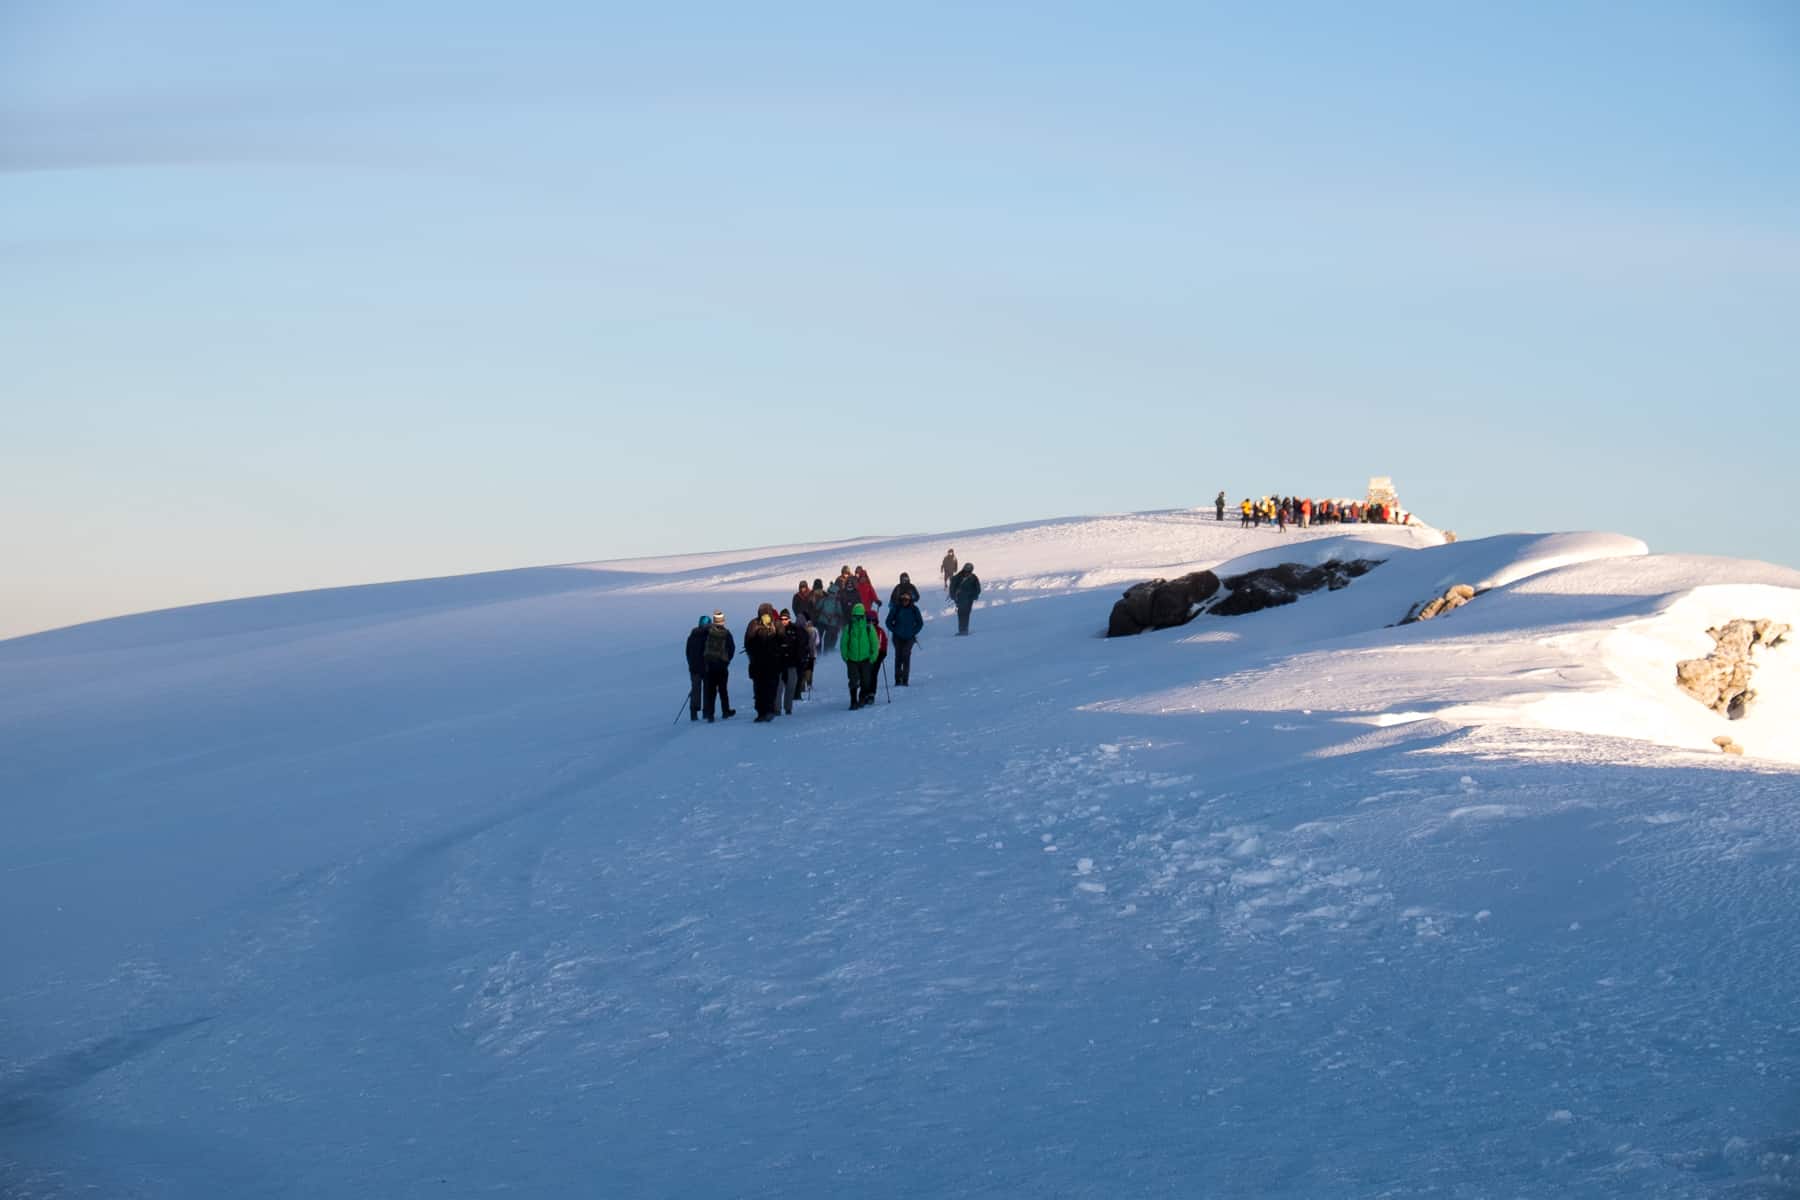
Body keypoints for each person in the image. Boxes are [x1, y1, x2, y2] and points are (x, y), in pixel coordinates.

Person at [744, 604, 783, 723]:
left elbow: (747, 643)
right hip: (772, 663)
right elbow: (782, 641)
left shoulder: (753, 624)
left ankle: (761, 712)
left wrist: (753, 656)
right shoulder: (776, 624)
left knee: (759, 689)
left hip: (757, 663)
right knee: (771, 687)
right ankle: (768, 711)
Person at [839, 602, 880, 709]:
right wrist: (845, 656)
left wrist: (873, 657)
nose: (857, 618)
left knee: (866, 681)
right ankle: (853, 701)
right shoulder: (849, 627)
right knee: (853, 680)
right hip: (852, 659)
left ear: (863, 615)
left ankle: (862, 697)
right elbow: (844, 642)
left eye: (859, 616)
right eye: (855, 616)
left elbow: (875, 643)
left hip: (866, 659)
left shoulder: (868, 627)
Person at [701, 610, 736, 721]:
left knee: (711, 691)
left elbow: (702, 648)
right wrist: (726, 661)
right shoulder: (726, 633)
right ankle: (725, 711)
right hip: (722, 666)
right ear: (723, 621)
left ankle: (710, 714)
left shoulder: (708, 632)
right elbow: (731, 648)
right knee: (723, 690)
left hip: (710, 665)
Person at [886, 591, 923, 686]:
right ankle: (898, 680)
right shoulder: (896, 608)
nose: (905, 601)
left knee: (906, 656)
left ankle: (905, 680)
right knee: (898, 658)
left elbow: (920, 623)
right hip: (897, 637)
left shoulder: (914, 609)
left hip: (909, 638)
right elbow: (888, 621)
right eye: (903, 599)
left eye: (907, 599)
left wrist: (913, 632)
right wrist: (895, 629)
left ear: (910, 600)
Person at [777, 609, 808, 715]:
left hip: (792, 662)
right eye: (782, 619)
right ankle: (777, 709)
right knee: (778, 687)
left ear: (789, 619)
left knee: (791, 686)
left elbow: (801, 645)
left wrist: (801, 659)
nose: (783, 621)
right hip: (779, 663)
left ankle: (788, 708)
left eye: (786, 619)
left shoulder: (795, 630)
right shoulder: (775, 630)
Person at [685, 615, 712, 721]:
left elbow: (687, 653)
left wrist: (691, 664)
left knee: (696, 690)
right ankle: (705, 712)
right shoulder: (709, 636)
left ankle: (694, 713)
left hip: (694, 668)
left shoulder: (692, 636)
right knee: (707, 690)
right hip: (705, 668)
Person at [950, 562, 981, 635]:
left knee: (965, 614)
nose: (968, 571)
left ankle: (964, 630)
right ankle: (962, 630)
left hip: (968, 599)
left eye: (969, 570)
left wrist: (974, 595)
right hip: (961, 599)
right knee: (962, 614)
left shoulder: (973, 577)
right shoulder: (957, 577)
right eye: (967, 569)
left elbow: (978, 589)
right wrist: (954, 597)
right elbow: (952, 589)